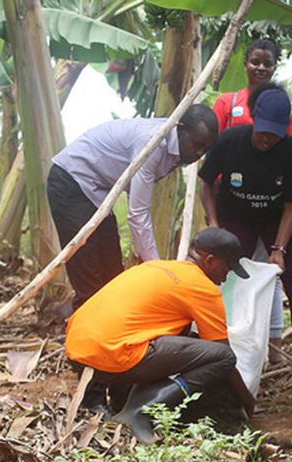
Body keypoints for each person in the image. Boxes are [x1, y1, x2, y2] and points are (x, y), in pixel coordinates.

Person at [65, 227, 256, 444]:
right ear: (210, 261)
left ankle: (123, 403)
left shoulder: (154, 267)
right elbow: (224, 356)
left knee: (180, 340)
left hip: (78, 351)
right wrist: (247, 401)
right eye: (228, 267)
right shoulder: (202, 288)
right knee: (221, 356)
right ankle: (139, 412)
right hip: (113, 355)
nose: (227, 275)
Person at [47, 104, 219, 312]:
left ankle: (114, 328)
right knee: (89, 274)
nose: (199, 153)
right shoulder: (153, 142)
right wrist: (156, 268)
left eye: (206, 149)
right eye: (197, 145)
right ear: (180, 130)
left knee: (113, 273)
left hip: (98, 192)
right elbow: (137, 214)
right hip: (71, 181)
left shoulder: (178, 146)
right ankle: (86, 334)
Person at [199, 82, 292, 367]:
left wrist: (279, 249)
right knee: (223, 278)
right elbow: (205, 183)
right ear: (253, 119)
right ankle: (216, 358)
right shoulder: (227, 141)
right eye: (263, 131)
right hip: (237, 214)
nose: (267, 139)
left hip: (281, 218)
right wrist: (214, 225)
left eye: (275, 134)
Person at [212, 38, 292, 363]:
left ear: (274, 68)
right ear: (245, 64)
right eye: (255, 62)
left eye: (268, 64)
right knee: (230, 273)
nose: (261, 68)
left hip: (268, 205)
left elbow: (285, 149)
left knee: (268, 273)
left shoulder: (279, 107)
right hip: (231, 206)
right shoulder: (227, 103)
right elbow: (210, 150)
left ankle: (273, 346)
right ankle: (229, 340)